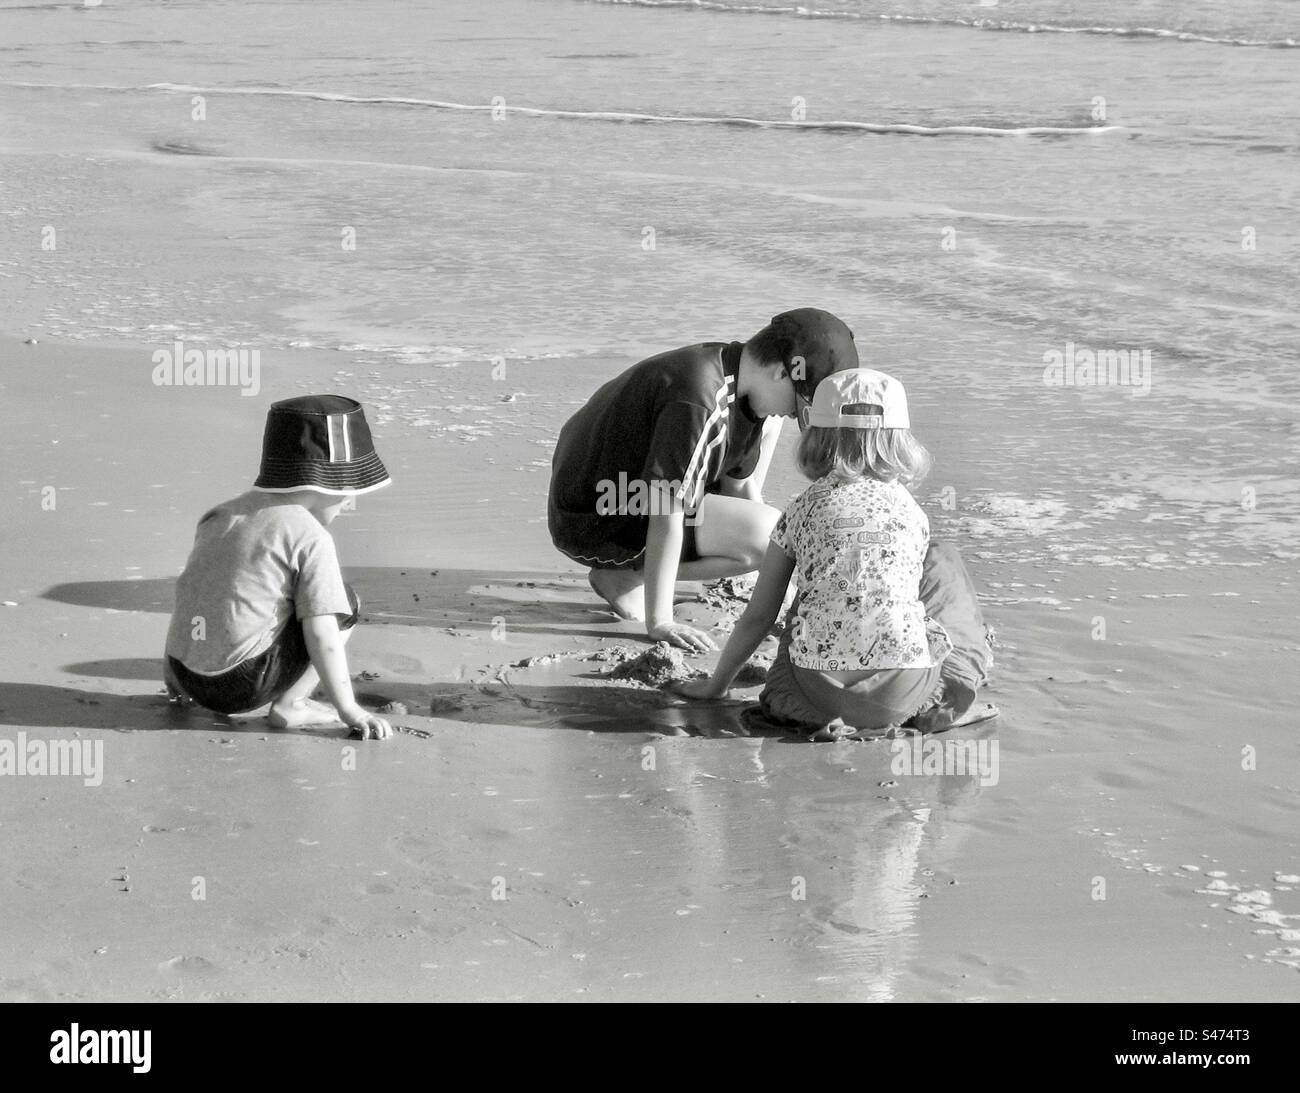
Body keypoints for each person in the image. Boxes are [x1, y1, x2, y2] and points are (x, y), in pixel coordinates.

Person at [672, 368, 997, 738]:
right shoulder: (911, 513)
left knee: (815, 587)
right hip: (900, 695)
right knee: (941, 560)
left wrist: (716, 686)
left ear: (816, 435)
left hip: (812, 700)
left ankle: (835, 692)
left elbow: (759, 616)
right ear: (901, 439)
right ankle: (937, 704)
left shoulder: (801, 509)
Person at [548, 308, 859, 652]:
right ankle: (624, 574)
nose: (795, 412)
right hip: (596, 509)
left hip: (632, 479)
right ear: (780, 371)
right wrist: (660, 620)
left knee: (770, 510)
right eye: (802, 399)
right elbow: (667, 510)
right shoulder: (700, 399)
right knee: (766, 532)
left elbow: (739, 486)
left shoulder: (739, 375)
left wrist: (775, 579)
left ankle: (643, 570)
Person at [163, 395, 394, 740]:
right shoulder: (310, 536)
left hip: (189, 677)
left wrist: (173, 674)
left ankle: (186, 674)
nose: (348, 504)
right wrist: (350, 710)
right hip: (243, 685)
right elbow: (322, 635)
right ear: (327, 483)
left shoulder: (221, 515)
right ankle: (293, 704)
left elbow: (192, 594)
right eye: (348, 493)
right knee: (343, 603)